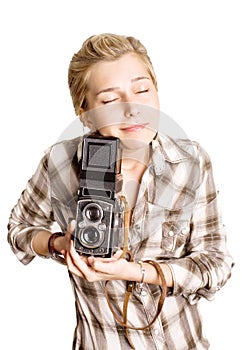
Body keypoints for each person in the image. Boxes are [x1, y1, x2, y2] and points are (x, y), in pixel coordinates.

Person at [7, 33, 234, 350]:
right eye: (110, 100)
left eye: (142, 90)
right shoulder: (60, 163)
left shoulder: (190, 161)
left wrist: (140, 272)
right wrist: (60, 244)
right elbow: (19, 228)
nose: (131, 109)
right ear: (85, 112)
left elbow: (216, 265)